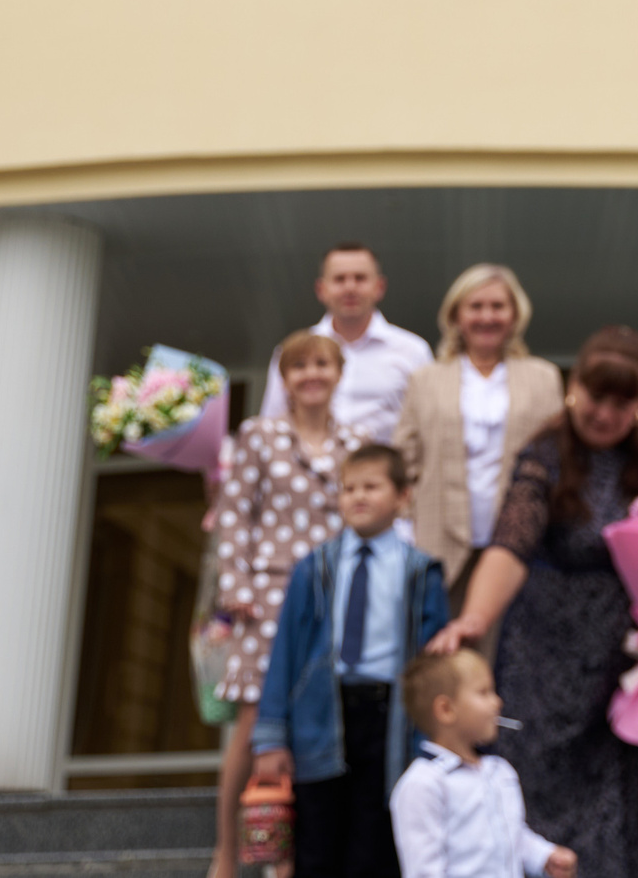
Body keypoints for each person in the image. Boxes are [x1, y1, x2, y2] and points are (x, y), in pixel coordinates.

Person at [423, 329, 638, 878]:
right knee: (547, 793)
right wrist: (474, 619)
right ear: (574, 389)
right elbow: (510, 546)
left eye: (620, 404)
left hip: (635, 657)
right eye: (596, 398)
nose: (604, 414)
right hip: (549, 656)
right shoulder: (545, 454)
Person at [207, 331, 366, 878]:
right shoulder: (259, 435)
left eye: (321, 364)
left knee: (314, 725)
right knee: (255, 725)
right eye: (299, 367)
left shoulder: (355, 444)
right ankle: (227, 854)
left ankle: (283, 859)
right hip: (266, 598)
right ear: (285, 378)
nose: (311, 375)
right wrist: (235, 586)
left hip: (333, 600)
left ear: (338, 372)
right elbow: (234, 516)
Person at [252, 445, 451, 878]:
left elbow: (433, 664)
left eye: (371, 487)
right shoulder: (313, 569)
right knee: (317, 845)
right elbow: (285, 651)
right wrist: (270, 737)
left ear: (403, 496)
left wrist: (436, 737)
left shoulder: (422, 573)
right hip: (322, 718)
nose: (357, 497)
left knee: (375, 845)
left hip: (390, 721)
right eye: (348, 489)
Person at [395, 264, 565, 599]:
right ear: (456, 316)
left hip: (519, 545)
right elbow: (404, 461)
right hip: (438, 541)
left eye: (498, 307)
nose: (487, 317)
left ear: (515, 316)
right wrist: (407, 522)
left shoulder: (544, 378)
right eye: (475, 307)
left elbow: (558, 459)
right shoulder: (425, 379)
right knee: (441, 647)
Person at [391, 649, 577, 878]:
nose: (497, 702)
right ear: (446, 710)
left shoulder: (499, 771)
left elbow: (512, 834)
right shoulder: (424, 783)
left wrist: (544, 856)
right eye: (483, 692)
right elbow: (424, 870)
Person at [263, 242, 435, 444]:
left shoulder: (412, 350)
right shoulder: (291, 352)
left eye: (360, 278)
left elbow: (430, 425)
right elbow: (272, 422)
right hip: (307, 471)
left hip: (385, 472)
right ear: (321, 289)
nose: (350, 287)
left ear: (379, 287)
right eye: (339, 279)